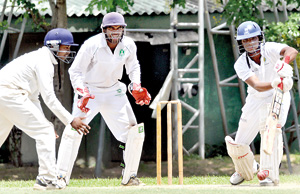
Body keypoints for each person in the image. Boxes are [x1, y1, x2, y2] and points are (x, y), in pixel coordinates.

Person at [56, 12, 151, 186]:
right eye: (111, 28)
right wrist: (82, 91)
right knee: (73, 131)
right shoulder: (91, 45)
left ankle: (129, 177)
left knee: (134, 132)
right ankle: (60, 178)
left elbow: (134, 66)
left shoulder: (129, 44)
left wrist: (136, 85)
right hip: (89, 93)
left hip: (114, 91)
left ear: (123, 29)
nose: (115, 32)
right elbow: (75, 71)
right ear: (103, 29)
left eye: (118, 28)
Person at [0, 28, 90, 190]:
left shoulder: (40, 58)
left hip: (5, 95)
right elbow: (49, 98)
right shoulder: (44, 62)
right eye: (66, 47)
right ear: (54, 45)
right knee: (45, 132)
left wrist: (43, 122)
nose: (68, 52)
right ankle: (47, 179)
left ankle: (47, 177)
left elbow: (34, 98)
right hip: (9, 94)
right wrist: (70, 120)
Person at [225, 21, 298, 186]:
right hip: (256, 97)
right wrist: (274, 82)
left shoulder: (269, 48)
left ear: (259, 38)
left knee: (271, 130)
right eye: (246, 40)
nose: (250, 43)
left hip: (279, 95)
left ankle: (269, 174)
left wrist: (283, 63)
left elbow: (291, 50)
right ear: (241, 43)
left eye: (253, 38)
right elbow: (257, 85)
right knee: (239, 144)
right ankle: (246, 169)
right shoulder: (241, 63)